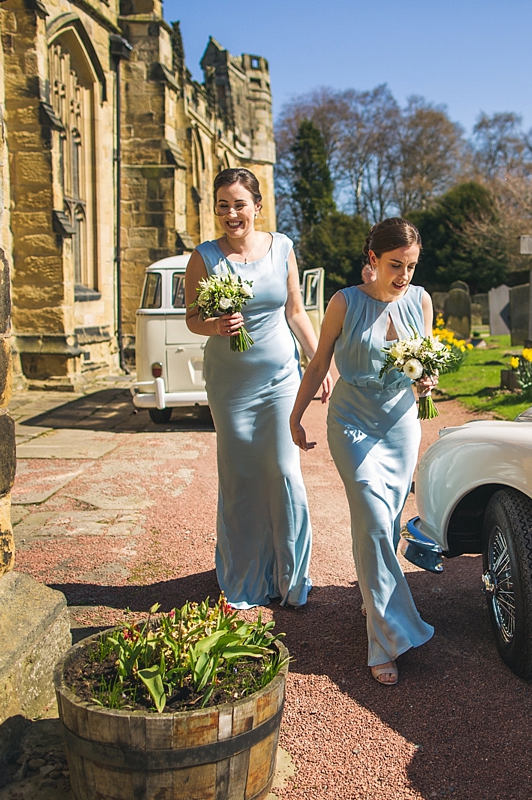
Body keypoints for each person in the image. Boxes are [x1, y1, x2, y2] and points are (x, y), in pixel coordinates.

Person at [289, 218, 435, 686]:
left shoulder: (421, 301)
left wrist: (428, 381)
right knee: (373, 518)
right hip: (352, 424)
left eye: (411, 266)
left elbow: (424, 364)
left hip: (400, 426)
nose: (404, 276)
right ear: (373, 260)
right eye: (396, 265)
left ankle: (373, 601)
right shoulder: (344, 302)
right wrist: (296, 415)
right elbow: (318, 363)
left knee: (386, 525)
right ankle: (385, 637)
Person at [184, 168, 330, 609]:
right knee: (241, 478)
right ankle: (244, 578)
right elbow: (192, 319)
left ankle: (291, 577)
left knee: (285, 473)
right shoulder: (204, 257)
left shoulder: (282, 246)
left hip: (280, 379)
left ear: (258, 207)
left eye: (240, 204)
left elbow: (296, 311)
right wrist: (217, 324)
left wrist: (318, 362)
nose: (232, 213)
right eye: (223, 205)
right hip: (230, 386)